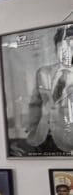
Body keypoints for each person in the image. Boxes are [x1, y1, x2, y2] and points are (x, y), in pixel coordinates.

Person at [24, 24, 73, 154]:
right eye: (61, 48)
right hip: (42, 137)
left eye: (71, 48)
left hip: (69, 142)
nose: (66, 53)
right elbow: (35, 103)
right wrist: (32, 129)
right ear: (55, 48)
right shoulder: (43, 72)